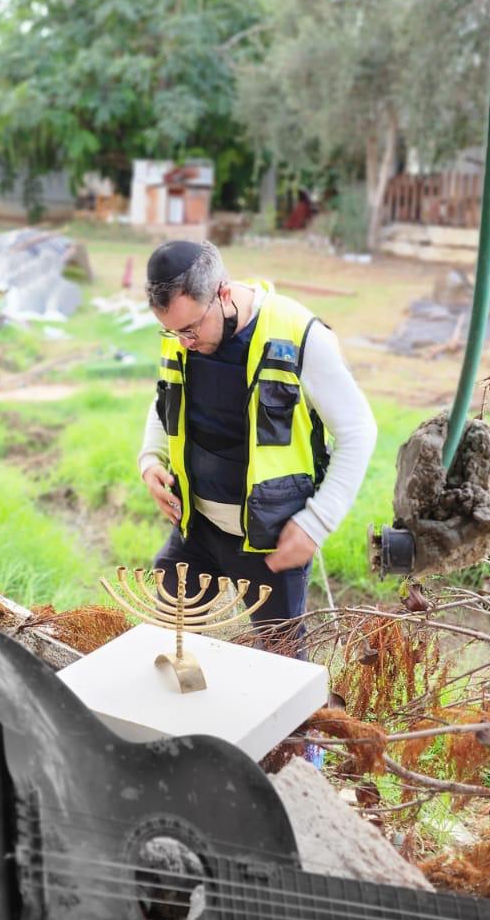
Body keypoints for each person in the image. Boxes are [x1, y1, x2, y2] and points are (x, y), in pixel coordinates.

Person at [139, 239, 377, 630]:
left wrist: (317, 524)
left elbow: (359, 431)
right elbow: (166, 397)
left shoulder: (301, 335)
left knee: (280, 668)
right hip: (196, 528)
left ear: (224, 293)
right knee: (174, 641)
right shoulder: (183, 335)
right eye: (172, 331)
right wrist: (150, 458)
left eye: (192, 328)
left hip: (271, 542)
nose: (184, 342)